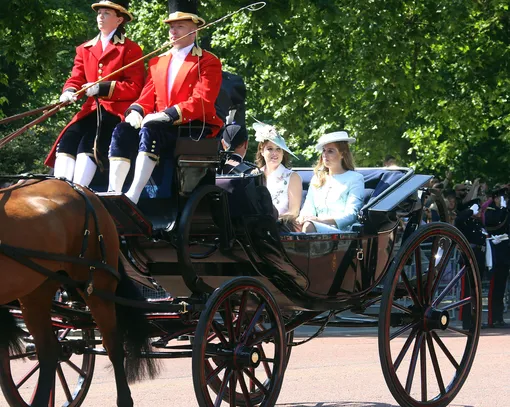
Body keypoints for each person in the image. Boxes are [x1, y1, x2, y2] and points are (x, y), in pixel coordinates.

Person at [108, 0, 223, 204]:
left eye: (180, 26)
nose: (173, 32)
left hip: (192, 126)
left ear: (195, 30)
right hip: (157, 124)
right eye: (171, 27)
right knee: (121, 130)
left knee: (150, 130)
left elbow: (202, 100)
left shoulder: (207, 61)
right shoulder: (157, 61)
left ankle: (133, 196)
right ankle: (113, 193)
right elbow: (147, 96)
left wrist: (167, 115)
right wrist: (135, 111)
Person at [45, 1, 144, 187]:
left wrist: (102, 88)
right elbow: (76, 77)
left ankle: (79, 192)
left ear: (119, 19)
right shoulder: (84, 49)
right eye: (99, 12)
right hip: (90, 109)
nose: (100, 16)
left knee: (90, 143)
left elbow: (134, 87)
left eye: (106, 13)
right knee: (68, 139)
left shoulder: (130, 49)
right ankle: (58, 189)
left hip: (116, 111)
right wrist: (69, 91)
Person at [297, 131, 364, 233]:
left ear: (343, 154)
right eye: (324, 150)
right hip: (314, 227)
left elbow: (351, 215)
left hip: (341, 232)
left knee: (308, 226)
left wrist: (318, 220)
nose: (325, 155)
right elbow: (308, 207)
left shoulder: (355, 178)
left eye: (330, 151)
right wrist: (303, 218)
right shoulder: (317, 178)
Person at [254, 122, 302, 218]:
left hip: (282, 227)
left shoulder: (292, 177)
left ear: (283, 153)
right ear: (262, 151)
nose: (274, 153)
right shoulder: (255, 174)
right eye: (270, 149)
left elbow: (294, 212)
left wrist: (274, 221)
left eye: (278, 149)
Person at [484, 187, 510, 328]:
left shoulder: (505, 210)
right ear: (494, 198)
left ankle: (499, 317)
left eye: (504, 198)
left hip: (504, 252)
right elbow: (494, 223)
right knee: (494, 287)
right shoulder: (491, 210)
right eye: (500, 198)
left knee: (501, 286)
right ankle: (492, 318)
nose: (502, 200)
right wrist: (502, 209)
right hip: (495, 251)